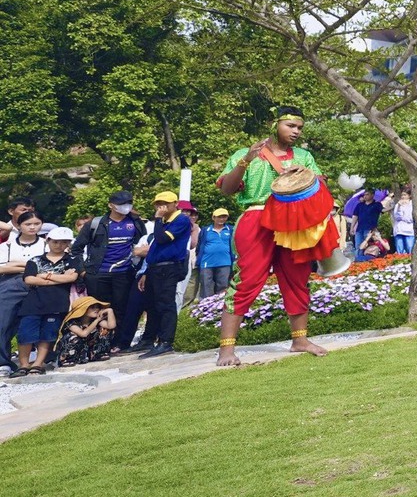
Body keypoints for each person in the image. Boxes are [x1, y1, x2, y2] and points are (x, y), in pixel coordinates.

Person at [215, 108, 336, 365]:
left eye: (300, 127)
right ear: (274, 125)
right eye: (291, 125)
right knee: (247, 279)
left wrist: (304, 176)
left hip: (293, 220)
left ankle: (299, 340)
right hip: (257, 217)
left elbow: (320, 186)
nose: (296, 131)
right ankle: (226, 349)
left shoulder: (304, 156)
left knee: (297, 277)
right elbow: (226, 189)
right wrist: (246, 159)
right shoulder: (244, 154)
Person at [74, 190, 143, 352]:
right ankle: (99, 343)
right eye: (121, 204)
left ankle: (119, 343)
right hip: (98, 273)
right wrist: (83, 271)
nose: (125, 207)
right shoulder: (95, 224)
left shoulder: (135, 223)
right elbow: (76, 249)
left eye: (128, 203)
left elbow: (143, 244)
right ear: (110, 205)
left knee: (122, 309)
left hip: (124, 273)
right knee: (99, 310)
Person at [134, 191, 193, 355]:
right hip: (155, 267)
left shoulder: (180, 219)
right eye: (158, 203)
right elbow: (155, 248)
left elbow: (162, 239)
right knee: (151, 305)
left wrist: (158, 218)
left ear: (175, 204)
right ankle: (148, 338)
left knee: (166, 304)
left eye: (166, 203)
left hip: (168, 267)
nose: (161, 206)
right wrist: (146, 272)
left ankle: (166, 341)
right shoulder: (164, 221)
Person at [17, 225, 81, 373]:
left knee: (48, 334)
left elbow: (72, 277)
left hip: (57, 303)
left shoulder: (72, 260)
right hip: (34, 302)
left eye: (64, 242)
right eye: (56, 242)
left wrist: (44, 276)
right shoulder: (36, 260)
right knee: (26, 333)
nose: (59, 245)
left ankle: (38, 364)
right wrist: (58, 278)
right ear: (48, 240)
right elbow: (29, 279)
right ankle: (24, 365)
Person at [0, 209, 45, 375]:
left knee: (42, 320)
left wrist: (17, 264)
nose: (32, 227)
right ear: (19, 225)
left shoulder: (47, 244)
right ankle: (3, 361)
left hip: (41, 284)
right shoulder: (7, 245)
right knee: (3, 321)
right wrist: (31, 265)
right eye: (28, 224)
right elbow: (2, 267)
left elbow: (49, 265)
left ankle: (43, 358)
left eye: (36, 224)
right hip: (10, 283)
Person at [389, 191, 416, 256]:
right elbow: (397, 217)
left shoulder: (412, 205)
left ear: (409, 196)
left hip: (409, 230)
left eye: (405, 195)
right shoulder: (397, 205)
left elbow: (410, 218)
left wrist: (403, 217)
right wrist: (398, 206)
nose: (403, 197)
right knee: (400, 249)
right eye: (402, 195)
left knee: (409, 247)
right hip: (399, 230)